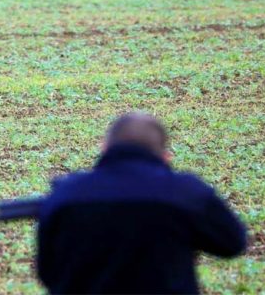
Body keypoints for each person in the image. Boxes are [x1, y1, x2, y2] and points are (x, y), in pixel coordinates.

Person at [36, 112, 247, 294]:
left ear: (104, 148)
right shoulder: (186, 192)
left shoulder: (67, 193)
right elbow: (233, 243)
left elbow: (47, 271)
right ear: (165, 157)